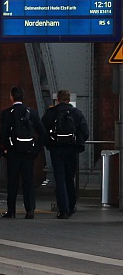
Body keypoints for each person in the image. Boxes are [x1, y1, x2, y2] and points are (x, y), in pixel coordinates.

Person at [41, 89, 90, 219]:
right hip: (71, 150)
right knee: (69, 178)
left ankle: (63, 210)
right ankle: (72, 205)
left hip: (56, 150)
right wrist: (78, 144)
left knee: (60, 179)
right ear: (69, 99)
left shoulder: (51, 113)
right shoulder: (77, 113)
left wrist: (49, 144)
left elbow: (42, 130)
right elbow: (85, 131)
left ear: (57, 99)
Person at [0, 86, 44, 219]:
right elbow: (42, 132)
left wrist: (4, 150)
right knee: (28, 181)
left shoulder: (7, 113)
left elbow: (4, 134)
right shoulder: (32, 112)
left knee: (12, 181)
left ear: (12, 97)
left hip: (13, 153)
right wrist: (36, 149)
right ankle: (30, 209)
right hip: (29, 153)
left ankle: (11, 210)